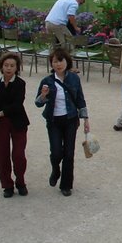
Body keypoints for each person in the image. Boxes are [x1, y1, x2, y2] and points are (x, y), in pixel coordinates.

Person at [35, 47, 90, 196]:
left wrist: (85, 119)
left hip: (70, 119)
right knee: (56, 152)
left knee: (69, 153)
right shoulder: (46, 81)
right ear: (51, 64)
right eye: (54, 61)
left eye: (61, 61)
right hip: (53, 120)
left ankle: (66, 185)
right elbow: (38, 103)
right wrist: (44, 96)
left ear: (67, 62)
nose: (58, 64)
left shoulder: (74, 78)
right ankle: (55, 169)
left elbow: (80, 99)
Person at [0, 52, 30, 198]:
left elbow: (17, 104)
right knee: (1, 155)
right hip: (0, 123)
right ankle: (7, 185)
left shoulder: (20, 83)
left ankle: (20, 182)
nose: (9, 68)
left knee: (18, 155)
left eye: (12, 66)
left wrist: (0, 113)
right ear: (1, 67)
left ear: (17, 68)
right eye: (6, 65)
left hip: (17, 121)